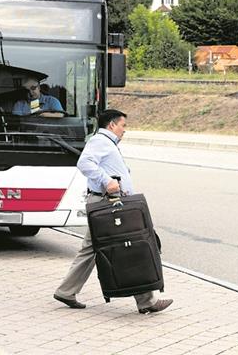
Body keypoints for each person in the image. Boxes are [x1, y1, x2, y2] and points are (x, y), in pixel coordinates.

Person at [53, 109, 173, 314]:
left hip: (108, 202)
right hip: (106, 202)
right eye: (123, 125)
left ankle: (67, 291)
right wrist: (106, 180)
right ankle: (146, 302)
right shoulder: (101, 141)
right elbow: (84, 163)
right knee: (130, 244)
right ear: (111, 125)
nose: (124, 130)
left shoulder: (107, 143)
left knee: (98, 247)